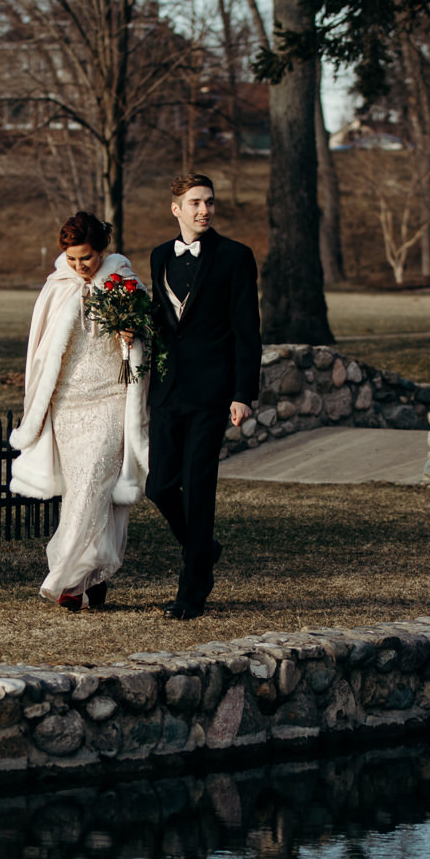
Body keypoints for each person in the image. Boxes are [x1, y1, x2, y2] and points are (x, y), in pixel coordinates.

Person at [9, 211, 150, 612]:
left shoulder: (126, 283)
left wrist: (131, 336)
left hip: (109, 399)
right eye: (71, 259)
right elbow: (42, 350)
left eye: (85, 258)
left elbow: (148, 345)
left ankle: (68, 576)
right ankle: (93, 576)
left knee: (93, 485)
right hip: (69, 403)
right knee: (81, 493)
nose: (78, 266)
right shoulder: (58, 286)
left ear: (101, 250)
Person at [145, 174, 260, 619]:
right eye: (194, 203)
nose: (204, 210)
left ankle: (191, 592)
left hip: (213, 394)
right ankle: (204, 548)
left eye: (209, 202)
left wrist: (242, 392)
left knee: (197, 490)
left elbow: (246, 329)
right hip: (167, 390)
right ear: (175, 208)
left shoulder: (235, 257)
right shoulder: (159, 256)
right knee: (158, 486)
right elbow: (161, 322)